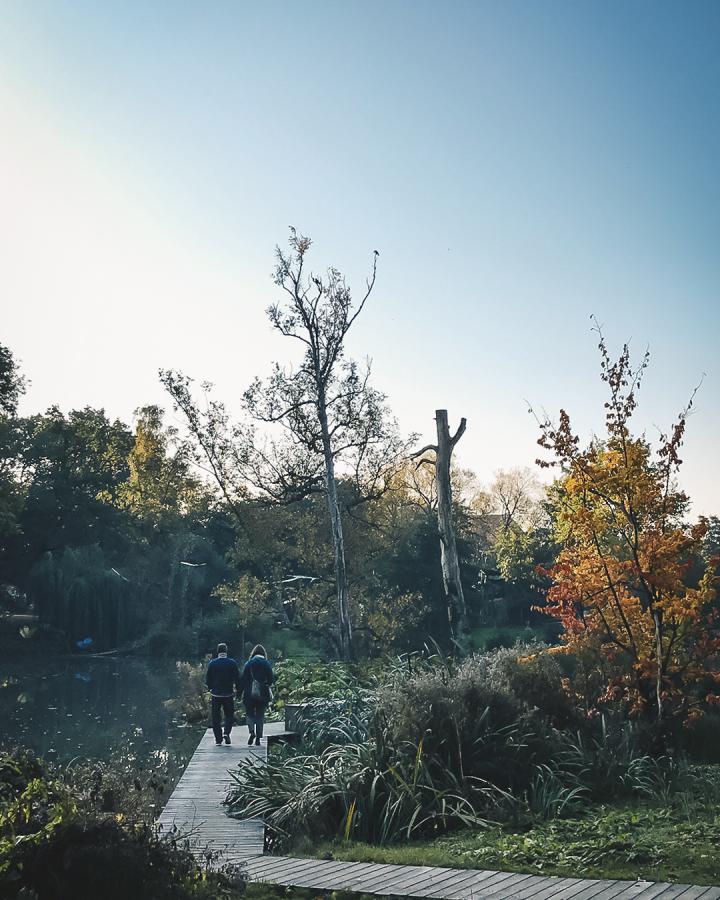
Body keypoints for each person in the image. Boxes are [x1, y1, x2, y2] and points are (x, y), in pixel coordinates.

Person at [205, 642, 242, 746]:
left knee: (216, 717)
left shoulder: (212, 663)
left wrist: (210, 688)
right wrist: (239, 691)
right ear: (226, 651)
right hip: (228, 694)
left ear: (218, 651)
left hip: (216, 695)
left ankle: (218, 739)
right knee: (229, 715)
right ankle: (226, 732)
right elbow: (237, 678)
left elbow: (208, 679)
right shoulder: (232, 663)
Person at [241, 644, 274, 746]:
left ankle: (251, 732)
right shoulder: (266, 663)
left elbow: (243, 679)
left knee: (250, 714)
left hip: (249, 694)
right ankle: (258, 738)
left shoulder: (248, 663)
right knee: (260, 715)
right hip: (262, 694)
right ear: (264, 654)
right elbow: (271, 678)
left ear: (253, 653)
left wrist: (239, 692)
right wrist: (267, 684)